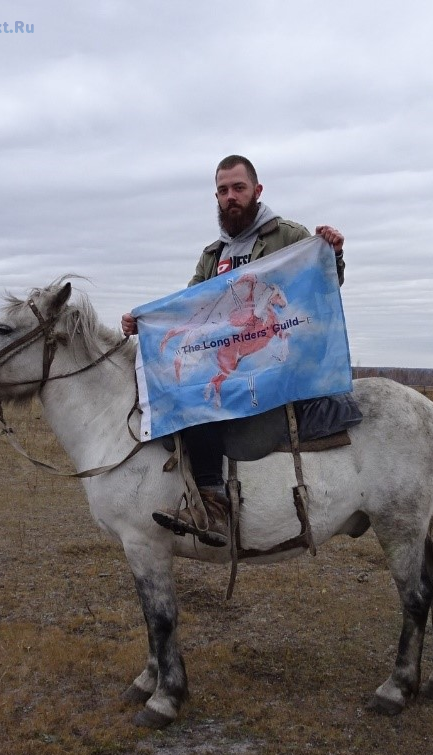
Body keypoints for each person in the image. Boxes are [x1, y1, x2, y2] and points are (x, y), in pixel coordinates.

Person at [121, 155, 345, 547]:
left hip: (276, 359)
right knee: (187, 395)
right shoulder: (213, 256)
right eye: (223, 191)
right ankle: (206, 493)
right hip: (231, 359)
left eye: (238, 188)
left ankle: (213, 504)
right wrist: (144, 321)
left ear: (257, 191)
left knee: (205, 403)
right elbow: (190, 306)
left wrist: (334, 253)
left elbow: (320, 281)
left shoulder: (288, 237)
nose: (230, 197)